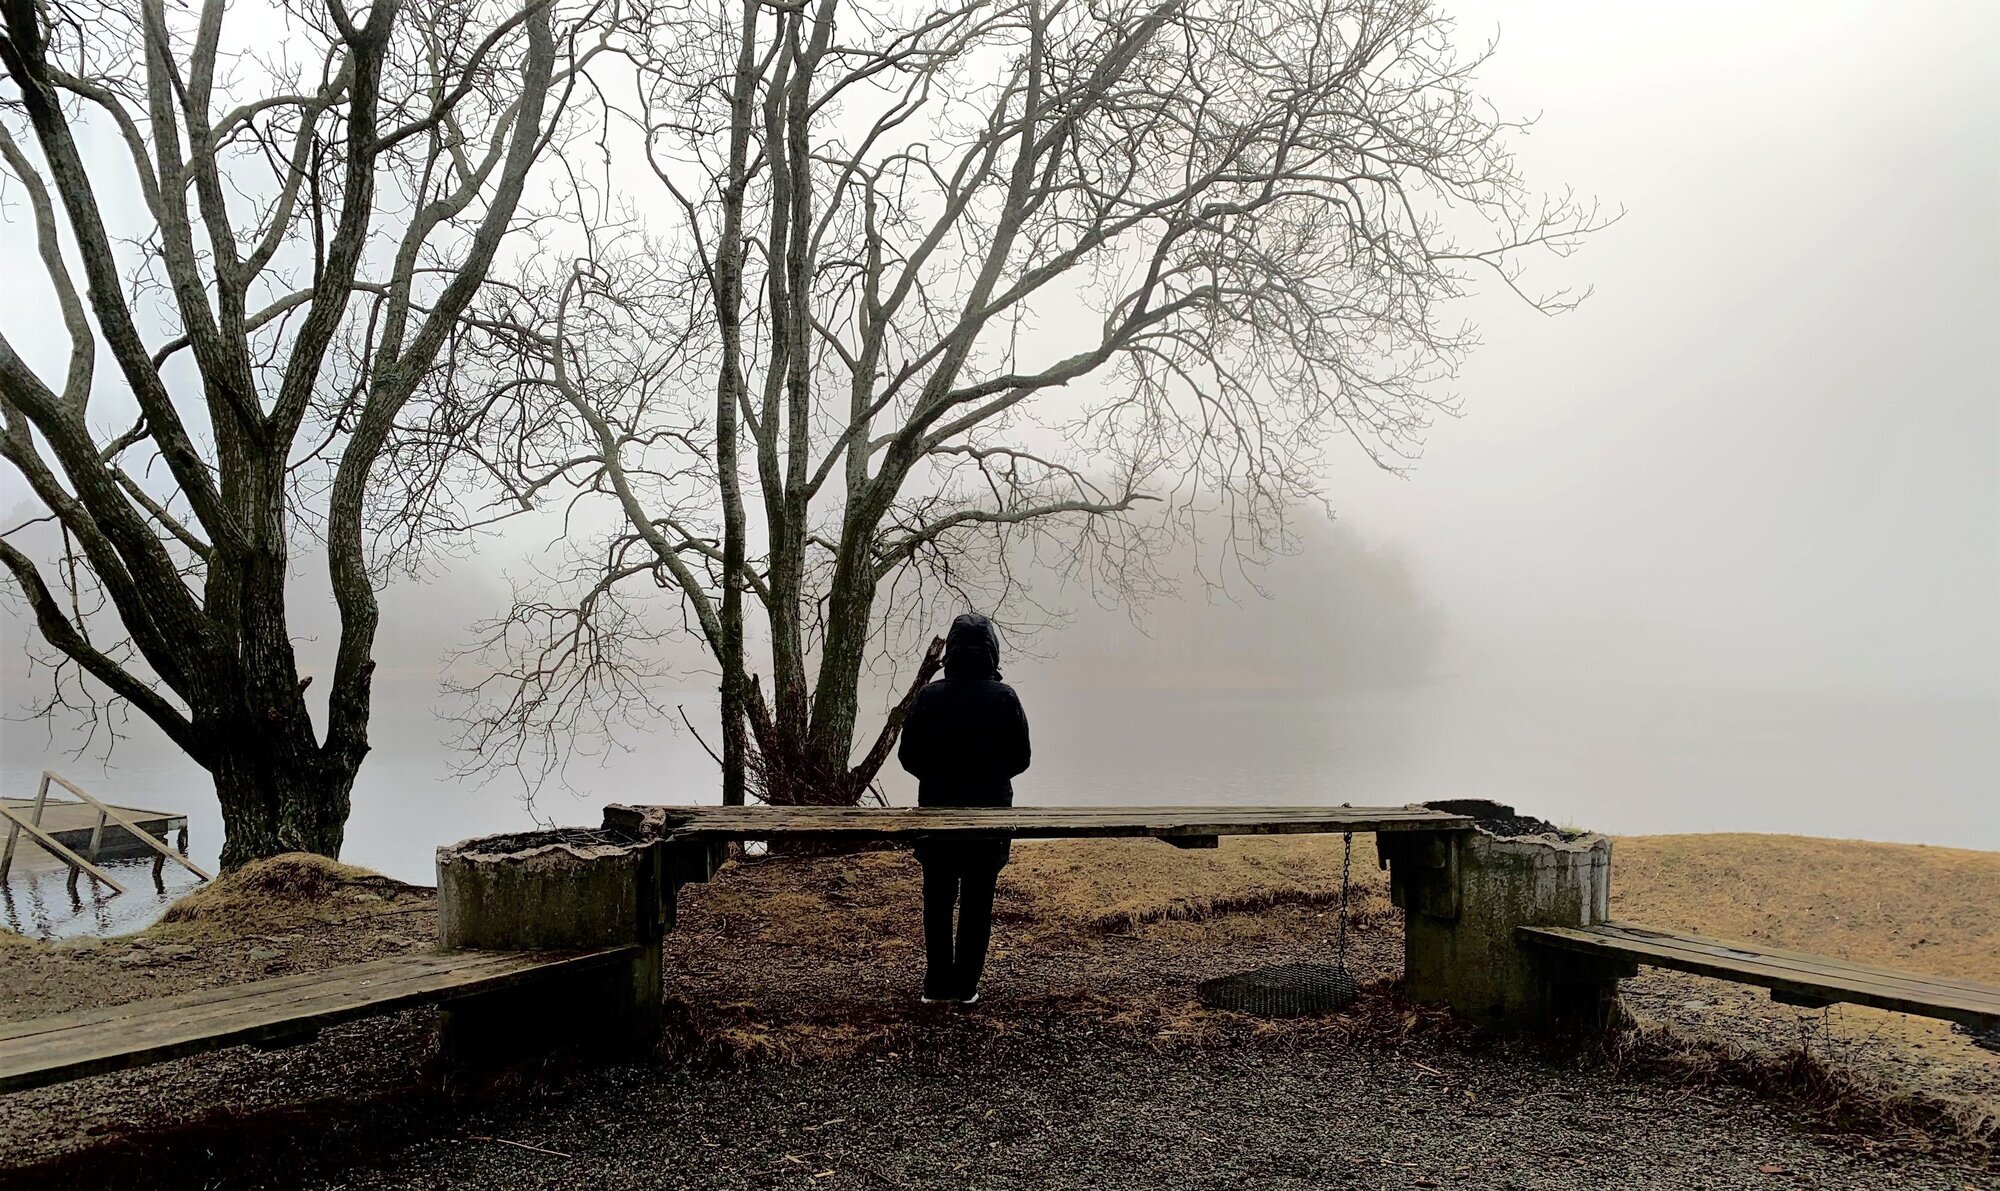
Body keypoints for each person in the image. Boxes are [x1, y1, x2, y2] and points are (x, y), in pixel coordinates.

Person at [896, 612, 1031, 1004]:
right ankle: (967, 984)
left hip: (936, 809)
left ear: (950, 652)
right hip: (989, 815)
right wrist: (987, 775)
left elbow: (908, 756)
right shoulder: (1005, 697)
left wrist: (939, 776)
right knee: (978, 900)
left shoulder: (929, 696)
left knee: (937, 898)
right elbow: (1020, 759)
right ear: (992, 652)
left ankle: (937, 984)